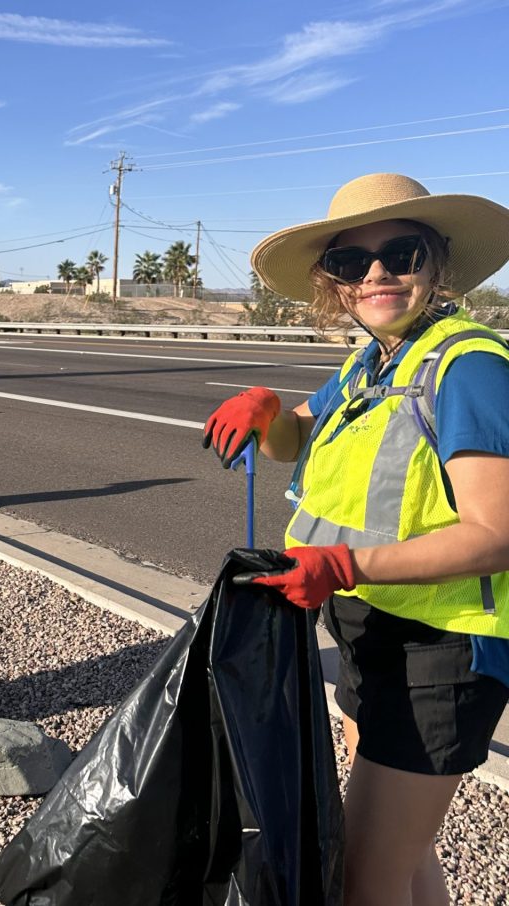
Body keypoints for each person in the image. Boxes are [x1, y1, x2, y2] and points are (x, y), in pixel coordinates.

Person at [203, 173, 509, 905]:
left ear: (434, 263)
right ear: (332, 283)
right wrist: (270, 411)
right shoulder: (373, 360)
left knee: (363, 884)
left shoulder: (468, 367)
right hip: (369, 629)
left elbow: (496, 535)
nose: (375, 275)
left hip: (441, 652)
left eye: (399, 254)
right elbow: (296, 436)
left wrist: (342, 564)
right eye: (350, 263)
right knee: (402, 862)